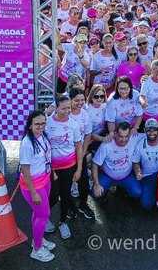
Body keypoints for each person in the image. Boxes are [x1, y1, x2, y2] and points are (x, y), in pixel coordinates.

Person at [18, 110, 57, 263]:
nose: (40, 127)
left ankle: (38, 239)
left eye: (43, 123)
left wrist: (52, 172)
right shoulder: (27, 144)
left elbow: (46, 157)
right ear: (30, 126)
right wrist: (33, 192)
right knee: (44, 214)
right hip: (33, 186)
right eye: (37, 124)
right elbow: (24, 169)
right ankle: (37, 249)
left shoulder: (43, 136)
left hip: (45, 180)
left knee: (38, 212)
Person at [46, 94, 83, 240]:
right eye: (63, 108)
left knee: (66, 195)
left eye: (68, 108)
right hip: (52, 168)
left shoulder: (74, 124)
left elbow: (78, 147)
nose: (66, 111)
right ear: (56, 108)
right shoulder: (47, 123)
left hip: (69, 166)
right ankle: (44, 217)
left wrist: (79, 169)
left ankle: (63, 222)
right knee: (53, 196)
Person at [92, 121, 143, 201]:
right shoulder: (107, 144)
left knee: (137, 192)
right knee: (96, 193)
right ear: (115, 134)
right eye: (121, 136)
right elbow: (95, 164)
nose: (124, 139)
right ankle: (104, 196)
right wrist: (96, 184)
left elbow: (150, 135)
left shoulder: (134, 138)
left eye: (126, 136)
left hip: (126, 176)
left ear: (130, 134)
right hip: (108, 176)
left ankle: (124, 192)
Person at [68, 88, 95, 220]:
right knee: (67, 181)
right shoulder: (65, 113)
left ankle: (83, 204)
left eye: (82, 100)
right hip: (66, 156)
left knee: (83, 181)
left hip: (81, 153)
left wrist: (83, 152)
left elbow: (88, 134)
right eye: (76, 100)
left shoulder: (85, 114)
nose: (80, 103)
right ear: (70, 100)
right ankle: (68, 206)